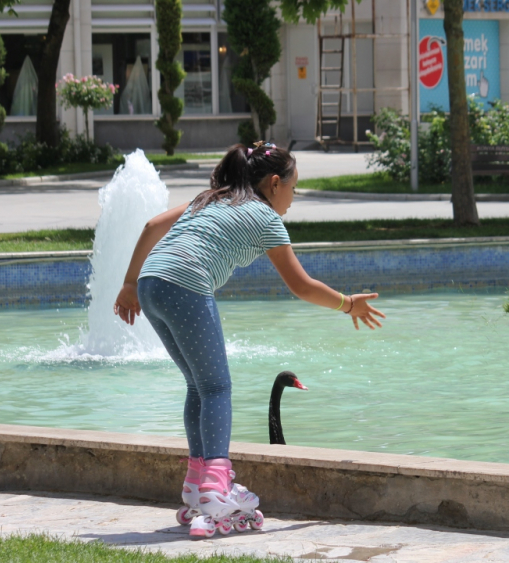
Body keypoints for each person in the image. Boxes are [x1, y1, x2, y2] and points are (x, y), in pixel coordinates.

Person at [113, 141, 385, 537]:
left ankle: (196, 481)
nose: (294, 197)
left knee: (198, 385)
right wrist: (348, 304)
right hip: (186, 282)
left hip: (153, 282)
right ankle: (216, 489)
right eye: (293, 187)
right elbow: (302, 286)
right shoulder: (265, 217)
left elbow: (152, 226)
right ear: (275, 183)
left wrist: (128, 283)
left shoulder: (211, 198)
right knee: (217, 387)